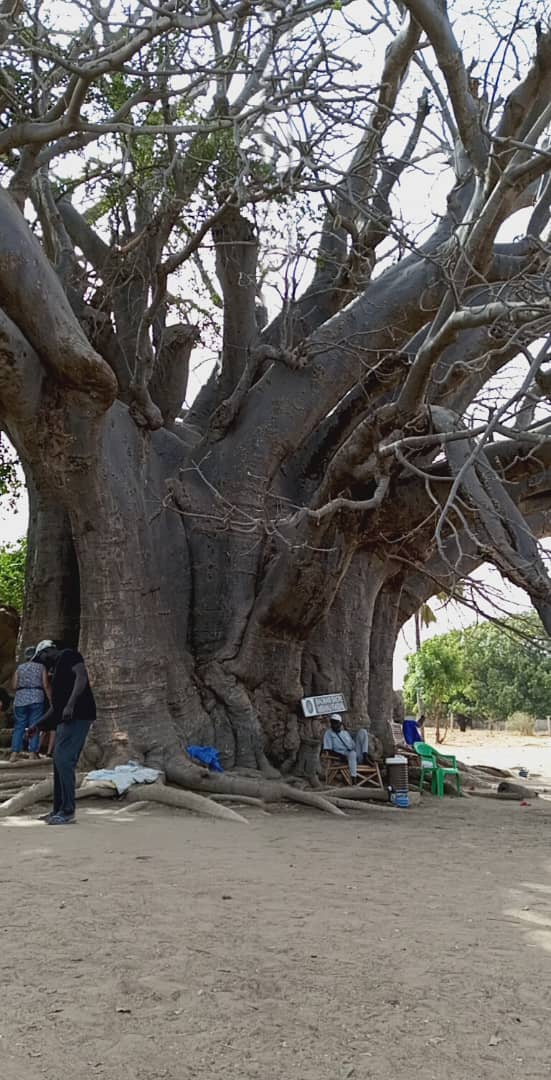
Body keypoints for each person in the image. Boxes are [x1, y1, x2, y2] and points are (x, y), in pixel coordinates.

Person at [28, 641, 96, 825]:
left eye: (41, 657)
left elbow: (82, 677)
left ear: (48, 651)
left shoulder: (68, 655)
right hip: (66, 719)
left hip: (79, 716)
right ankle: (58, 809)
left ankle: (68, 811)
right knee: (59, 761)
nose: (41, 662)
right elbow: (55, 708)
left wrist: (71, 704)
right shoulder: (56, 670)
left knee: (65, 761)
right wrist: (37, 725)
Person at [10, 645, 50, 762]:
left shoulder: (20, 668)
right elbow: (45, 684)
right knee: (35, 725)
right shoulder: (41, 667)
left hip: (21, 699)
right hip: (37, 698)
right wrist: (51, 699)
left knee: (19, 726)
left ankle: (14, 753)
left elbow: (14, 685)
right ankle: (32, 753)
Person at [322, 713, 369, 782]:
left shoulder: (345, 733)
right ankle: (354, 778)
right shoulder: (328, 733)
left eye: (336, 723)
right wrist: (340, 756)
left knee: (363, 731)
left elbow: (353, 745)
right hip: (344, 755)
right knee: (352, 754)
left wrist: (361, 752)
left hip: (356, 754)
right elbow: (328, 749)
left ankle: (365, 756)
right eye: (332, 723)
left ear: (340, 724)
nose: (334, 725)